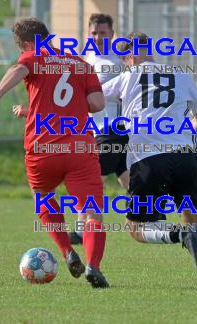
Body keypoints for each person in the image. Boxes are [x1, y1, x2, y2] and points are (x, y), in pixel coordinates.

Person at [0, 17, 110, 288]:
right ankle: (93, 267)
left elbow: (19, 69)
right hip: (79, 148)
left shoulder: (34, 55)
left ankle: (67, 251)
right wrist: (73, 103)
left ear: (28, 43)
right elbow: (97, 104)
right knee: (92, 210)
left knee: (44, 197)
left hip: (43, 148)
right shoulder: (79, 62)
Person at [101, 31, 197, 288]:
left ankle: (178, 235)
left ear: (130, 55)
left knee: (136, 228)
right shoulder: (181, 73)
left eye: (124, 57)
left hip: (149, 160)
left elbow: (92, 99)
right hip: (185, 157)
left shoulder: (128, 76)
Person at [68, 13, 130, 245]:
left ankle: (82, 231)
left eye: (102, 33)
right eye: (93, 33)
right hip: (103, 131)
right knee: (127, 179)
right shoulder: (89, 58)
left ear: (112, 34)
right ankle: (154, 218)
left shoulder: (118, 61)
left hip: (111, 130)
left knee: (90, 179)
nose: (97, 37)